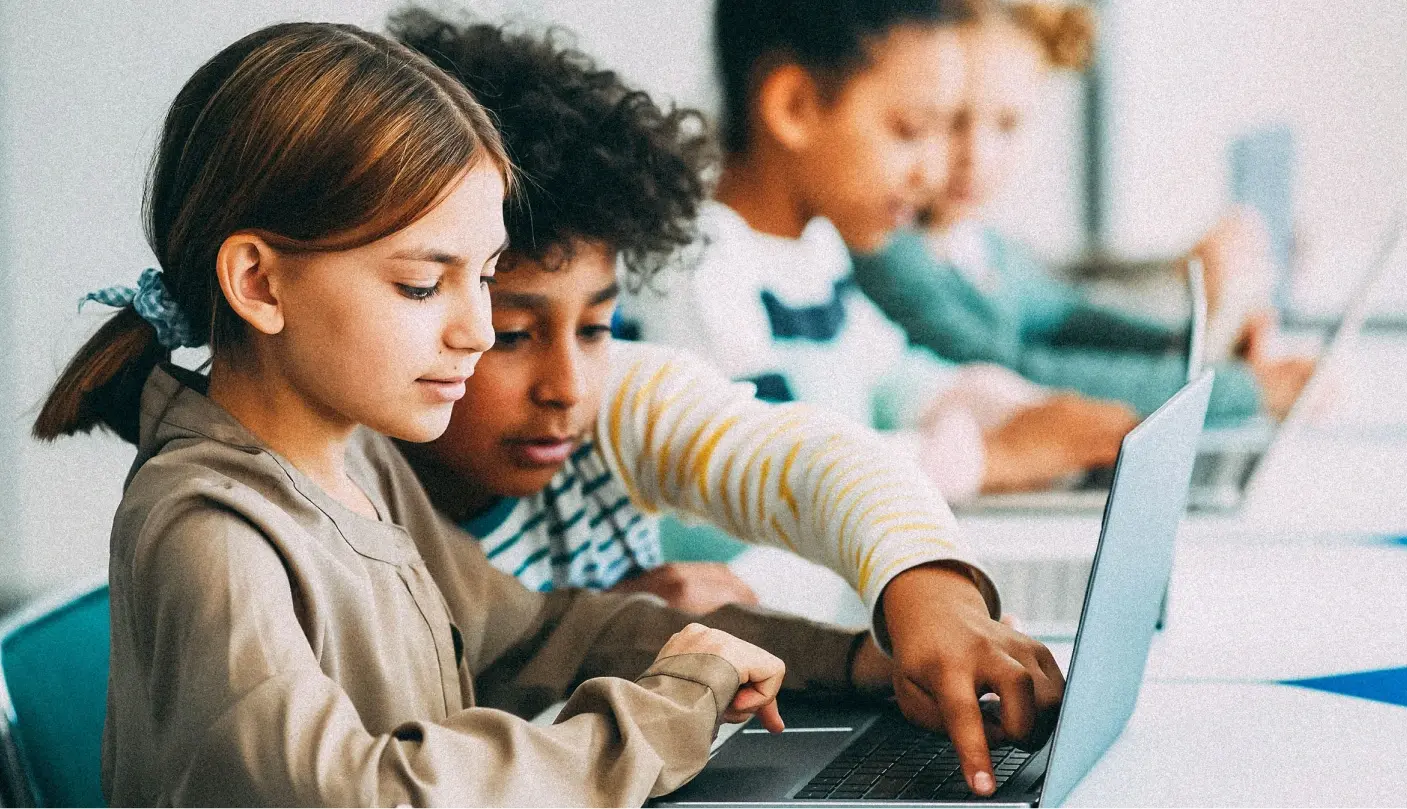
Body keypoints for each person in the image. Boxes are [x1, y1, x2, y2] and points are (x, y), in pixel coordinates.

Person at [32, 22, 911, 806]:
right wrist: (668, 709)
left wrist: (845, 661)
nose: (476, 329)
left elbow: (535, 634)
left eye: (483, 278)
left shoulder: (359, 465)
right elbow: (353, 792)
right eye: (422, 284)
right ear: (259, 283)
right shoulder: (213, 533)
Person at [392, 13, 1063, 798]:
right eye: (510, 335)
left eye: (599, 324)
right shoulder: (366, 499)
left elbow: (804, 460)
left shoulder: (615, 398)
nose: (567, 384)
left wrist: (928, 592)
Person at [620, 0, 1139, 504]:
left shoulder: (816, 250)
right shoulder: (698, 263)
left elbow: (896, 377)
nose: (932, 172)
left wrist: (1028, 411)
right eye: (910, 130)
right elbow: (762, 474)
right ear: (794, 108)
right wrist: (990, 459)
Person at [851, 1, 1315, 422]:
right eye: (952, 120)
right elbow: (1020, 375)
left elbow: (1070, 318)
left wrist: (1194, 350)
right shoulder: (884, 249)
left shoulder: (981, 245)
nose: (977, 154)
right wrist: (1242, 390)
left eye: (1007, 124)